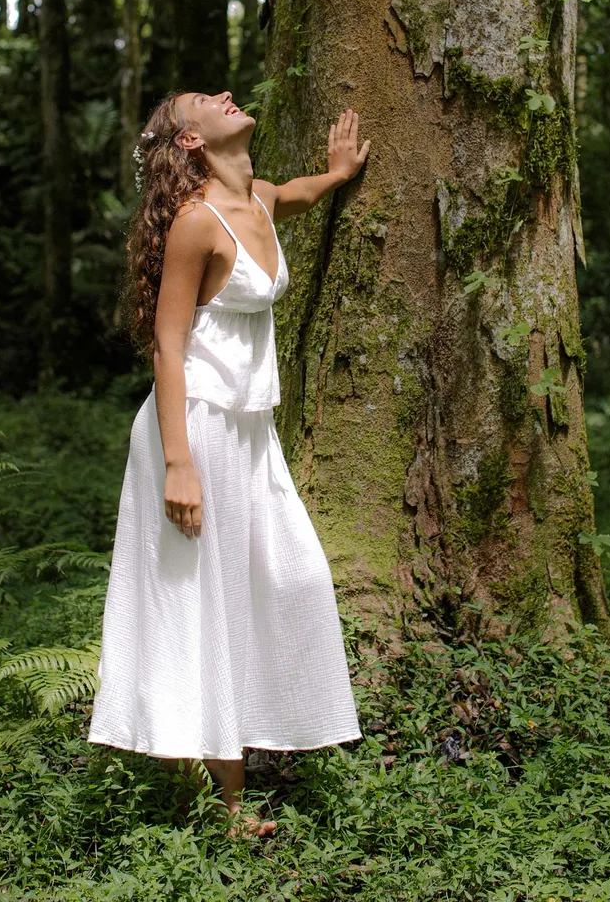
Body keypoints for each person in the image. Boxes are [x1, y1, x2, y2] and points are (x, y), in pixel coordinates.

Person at [86, 88, 371, 839]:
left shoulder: (261, 198)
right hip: (194, 431)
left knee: (291, 575)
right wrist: (179, 464)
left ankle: (236, 769)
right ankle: (226, 806)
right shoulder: (193, 223)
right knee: (195, 605)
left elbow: (296, 195)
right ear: (189, 140)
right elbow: (167, 345)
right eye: (203, 100)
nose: (223, 95)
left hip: (250, 432)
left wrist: (338, 174)